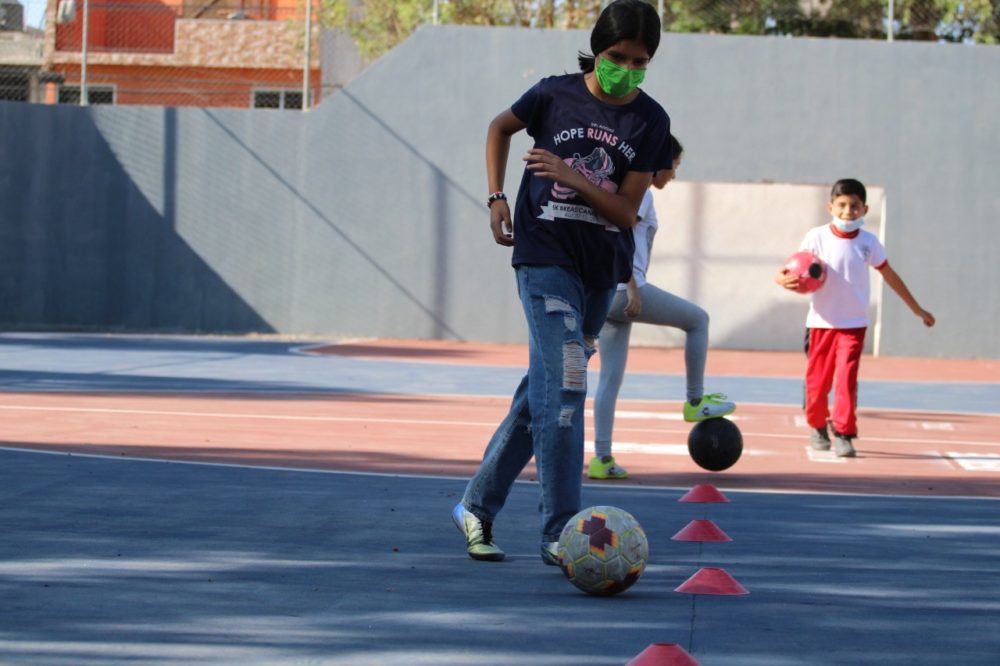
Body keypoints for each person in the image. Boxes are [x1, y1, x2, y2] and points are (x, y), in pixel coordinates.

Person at [452, 0, 672, 564]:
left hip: (598, 272)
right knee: (569, 385)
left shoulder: (651, 121)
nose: (626, 68)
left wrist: (572, 174)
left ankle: (476, 507)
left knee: (544, 396)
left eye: (639, 61)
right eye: (616, 57)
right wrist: (497, 197)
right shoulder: (553, 94)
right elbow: (499, 128)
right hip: (543, 256)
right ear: (596, 50)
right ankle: (560, 532)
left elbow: (627, 212)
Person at [589, 135, 736, 480]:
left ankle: (602, 458)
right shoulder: (642, 193)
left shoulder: (620, 188)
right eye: (676, 165)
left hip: (604, 293)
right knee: (698, 320)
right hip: (625, 290)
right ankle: (695, 400)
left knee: (610, 379)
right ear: (661, 161)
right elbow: (617, 235)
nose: (675, 175)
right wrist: (633, 284)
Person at [775, 178, 935, 457]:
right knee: (818, 382)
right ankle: (817, 426)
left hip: (853, 325)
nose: (848, 211)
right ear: (831, 207)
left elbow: (889, 276)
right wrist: (780, 279)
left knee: (846, 380)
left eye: (855, 206)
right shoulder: (816, 237)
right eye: (843, 205)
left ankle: (845, 433)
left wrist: (917, 309)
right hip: (821, 323)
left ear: (865, 209)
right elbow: (793, 269)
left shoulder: (869, 243)